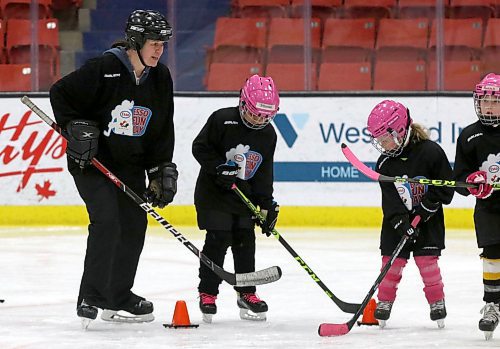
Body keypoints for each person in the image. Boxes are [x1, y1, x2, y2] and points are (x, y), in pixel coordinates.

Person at [49, 9, 177, 325]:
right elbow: (60, 93)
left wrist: (160, 168)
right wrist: (75, 126)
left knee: (134, 225)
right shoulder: (105, 68)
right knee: (107, 221)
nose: (159, 49)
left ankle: (118, 296)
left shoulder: (160, 77)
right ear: (135, 40)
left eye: (162, 44)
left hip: (130, 165)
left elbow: (162, 127)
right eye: (153, 43)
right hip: (93, 164)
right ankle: (91, 297)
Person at [192, 74, 280, 323]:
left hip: (243, 196)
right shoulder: (222, 119)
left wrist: (266, 204)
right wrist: (218, 167)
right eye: (255, 114)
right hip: (214, 194)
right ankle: (207, 292)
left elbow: (264, 172)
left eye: (265, 116)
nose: (259, 120)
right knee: (218, 240)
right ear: (242, 103)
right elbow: (199, 147)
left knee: (245, 241)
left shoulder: (268, 134)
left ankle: (246, 292)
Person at [365, 100, 454, 328]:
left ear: (400, 130)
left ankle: (437, 302)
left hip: (429, 221)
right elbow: (390, 203)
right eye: (379, 140)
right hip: (397, 224)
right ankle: (384, 302)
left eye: (384, 138)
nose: (381, 144)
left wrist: (428, 206)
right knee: (391, 264)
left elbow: (446, 187)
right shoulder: (385, 162)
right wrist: (400, 222)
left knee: (427, 263)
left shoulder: (431, 152)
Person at [453, 73, 500, 340]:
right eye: (484, 101)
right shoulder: (470, 136)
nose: (489, 106)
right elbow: (458, 179)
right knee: (492, 254)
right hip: (487, 208)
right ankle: (492, 305)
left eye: (495, 101)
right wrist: (470, 181)